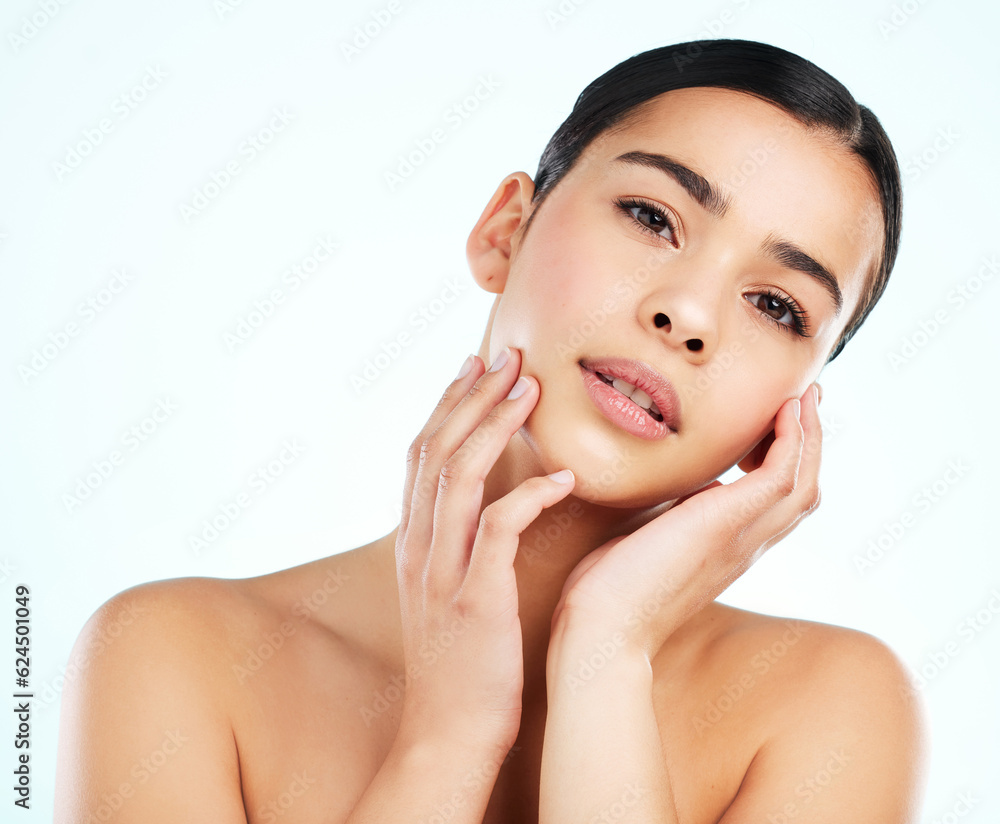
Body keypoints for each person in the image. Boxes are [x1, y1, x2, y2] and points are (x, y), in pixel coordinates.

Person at [54, 38, 927, 823]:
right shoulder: (173, 659)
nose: (689, 314)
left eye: (777, 306)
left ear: (794, 411)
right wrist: (449, 738)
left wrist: (607, 650)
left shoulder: (832, 708)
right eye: (653, 218)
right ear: (505, 230)